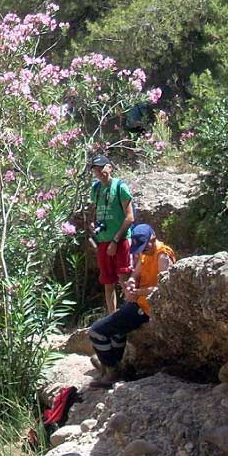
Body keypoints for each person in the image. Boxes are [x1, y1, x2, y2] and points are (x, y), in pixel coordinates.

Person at [88, 223, 176, 388]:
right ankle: (113, 366)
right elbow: (136, 274)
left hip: (148, 308)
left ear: (153, 238)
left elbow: (164, 289)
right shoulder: (146, 253)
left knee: (96, 331)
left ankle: (111, 371)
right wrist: (130, 282)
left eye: (144, 247)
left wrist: (138, 292)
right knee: (116, 331)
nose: (142, 251)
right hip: (138, 303)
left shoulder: (162, 256)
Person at [89, 155, 135, 314]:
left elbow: (130, 217)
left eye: (101, 167)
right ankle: (112, 317)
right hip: (103, 241)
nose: (99, 171)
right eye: (95, 169)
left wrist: (115, 241)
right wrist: (93, 224)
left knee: (124, 280)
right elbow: (95, 211)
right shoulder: (95, 189)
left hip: (120, 241)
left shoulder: (120, 187)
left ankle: (131, 313)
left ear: (109, 167)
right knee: (108, 283)